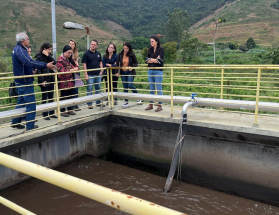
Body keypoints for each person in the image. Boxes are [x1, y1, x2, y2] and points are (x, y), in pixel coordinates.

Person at [11, 32, 56, 131]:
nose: (28, 40)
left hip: (21, 80)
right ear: (23, 41)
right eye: (27, 39)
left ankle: (15, 122)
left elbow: (25, 64)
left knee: (21, 102)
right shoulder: (21, 50)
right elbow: (29, 62)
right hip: (25, 81)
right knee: (31, 104)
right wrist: (46, 65)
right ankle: (30, 126)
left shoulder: (17, 49)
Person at [35, 42, 58, 120]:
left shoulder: (49, 56)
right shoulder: (39, 57)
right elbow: (38, 70)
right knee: (44, 97)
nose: (50, 51)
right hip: (44, 79)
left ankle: (51, 113)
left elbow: (54, 63)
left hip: (50, 78)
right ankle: (45, 114)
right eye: (49, 49)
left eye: (50, 50)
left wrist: (48, 55)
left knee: (51, 96)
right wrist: (42, 81)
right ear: (44, 49)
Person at [116, 42, 140, 108]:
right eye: (124, 48)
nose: (125, 50)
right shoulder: (120, 54)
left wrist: (132, 67)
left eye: (126, 48)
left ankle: (138, 97)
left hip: (130, 72)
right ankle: (126, 102)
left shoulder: (132, 54)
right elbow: (117, 64)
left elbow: (136, 63)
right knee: (125, 87)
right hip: (123, 72)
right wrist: (117, 72)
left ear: (129, 48)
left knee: (130, 85)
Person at [82, 40, 104, 109]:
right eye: (92, 44)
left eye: (94, 45)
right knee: (90, 89)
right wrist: (86, 74)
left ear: (96, 46)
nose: (93, 45)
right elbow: (84, 64)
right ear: (90, 45)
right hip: (90, 74)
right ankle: (89, 103)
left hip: (98, 74)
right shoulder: (86, 53)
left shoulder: (98, 53)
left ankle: (98, 102)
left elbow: (100, 62)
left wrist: (101, 70)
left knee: (98, 88)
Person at [57, 45, 78, 117]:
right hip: (63, 82)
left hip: (70, 81)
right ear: (64, 52)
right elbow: (61, 70)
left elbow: (76, 67)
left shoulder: (69, 59)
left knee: (71, 95)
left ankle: (70, 109)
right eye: (69, 53)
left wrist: (74, 68)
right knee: (63, 96)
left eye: (71, 53)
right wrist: (72, 70)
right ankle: (62, 111)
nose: (70, 54)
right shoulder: (60, 59)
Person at [145, 35, 164, 112]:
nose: (151, 43)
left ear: (157, 41)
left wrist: (151, 59)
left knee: (159, 88)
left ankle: (160, 105)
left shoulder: (161, 49)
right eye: (150, 41)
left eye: (152, 41)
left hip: (158, 71)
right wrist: (154, 59)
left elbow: (160, 61)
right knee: (151, 88)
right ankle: (151, 104)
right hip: (150, 70)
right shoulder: (150, 49)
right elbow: (146, 60)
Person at [69, 39, 81, 111]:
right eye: (70, 43)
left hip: (76, 72)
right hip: (70, 72)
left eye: (73, 44)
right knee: (71, 89)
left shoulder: (76, 54)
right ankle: (72, 105)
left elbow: (77, 64)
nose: (71, 45)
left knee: (76, 89)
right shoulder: (67, 53)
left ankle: (76, 104)